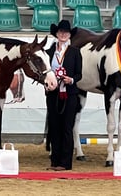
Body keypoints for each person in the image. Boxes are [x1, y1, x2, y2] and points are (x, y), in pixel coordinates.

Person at [45, 20, 82, 171]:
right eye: (61, 32)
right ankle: (54, 161)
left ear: (69, 35)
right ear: (57, 34)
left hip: (69, 94)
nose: (63, 34)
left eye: (66, 32)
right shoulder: (49, 52)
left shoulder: (75, 52)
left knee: (67, 127)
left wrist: (71, 80)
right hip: (53, 93)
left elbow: (79, 74)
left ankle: (65, 163)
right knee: (54, 127)